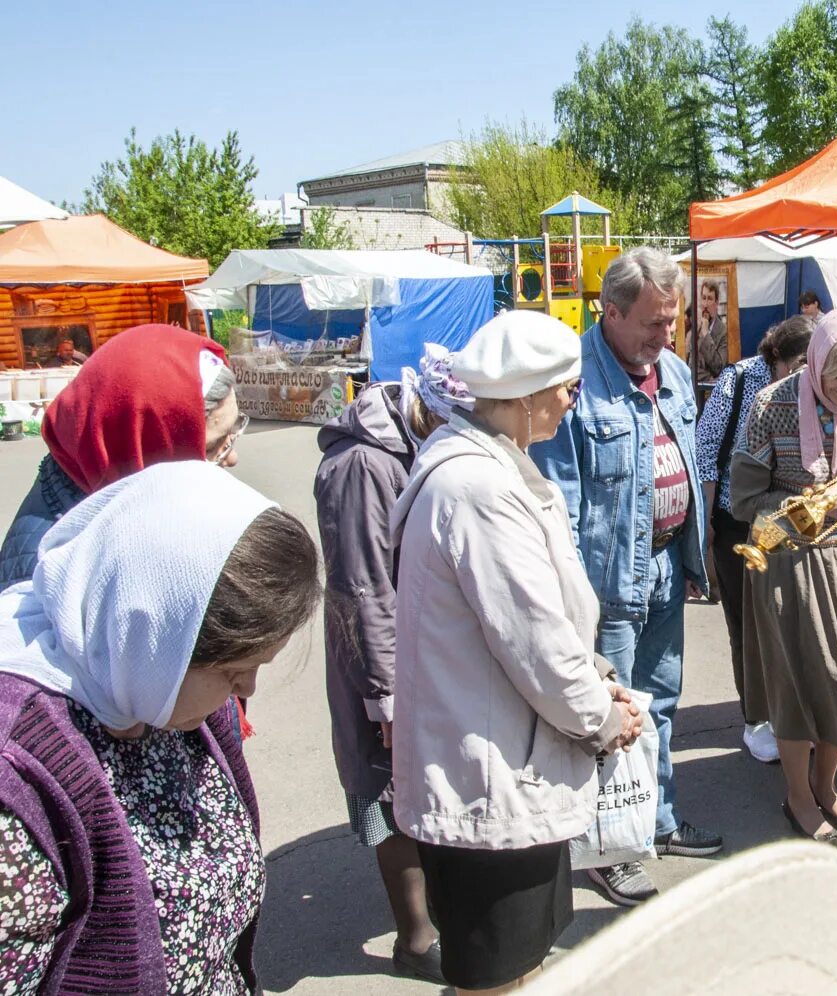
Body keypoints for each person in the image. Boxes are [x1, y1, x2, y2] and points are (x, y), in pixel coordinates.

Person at [390, 312, 645, 993]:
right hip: (490, 779)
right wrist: (600, 714)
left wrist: (595, 678)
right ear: (528, 394)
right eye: (566, 388)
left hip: (502, 762)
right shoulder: (479, 487)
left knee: (509, 964)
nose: (573, 401)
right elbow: (533, 640)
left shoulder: (484, 467)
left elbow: (537, 624)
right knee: (497, 975)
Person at [0, 461, 322, 993]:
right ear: (154, 637)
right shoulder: (18, 784)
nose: (247, 692)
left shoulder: (163, 697)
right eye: (234, 671)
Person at [531, 248, 722, 907]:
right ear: (610, 313)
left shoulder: (669, 369)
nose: (668, 338)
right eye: (653, 324)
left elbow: (688, 468)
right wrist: (572, 610)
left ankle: (657, 822)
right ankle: (608, 847)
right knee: (606, 721)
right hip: (607, 585)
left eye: (673, 322)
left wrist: (694, 556)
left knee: (661, 704)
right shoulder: (573, 383)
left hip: (667, 565)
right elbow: (559, 506)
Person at [312, 344, 471, 983]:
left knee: (422, 784)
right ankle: (415, 939)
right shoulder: (363, 466)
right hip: (380, 656)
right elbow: (364, 586)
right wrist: (386, 696)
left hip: (418, 645)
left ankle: (435, 917)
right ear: (425, 408)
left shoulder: (410, 444)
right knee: (390, 785)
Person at [731, 309, 837, 846]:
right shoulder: (770, 406)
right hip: (788, 567)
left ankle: (826, 788)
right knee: (797, 688)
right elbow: (742, 500)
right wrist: (800, 506)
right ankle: (800, 800)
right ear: (816, 362)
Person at [0, 323, 246, 588]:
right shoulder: (49, 578)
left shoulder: (113, 497)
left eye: (233, 431)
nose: (232, 459)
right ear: (141, 446)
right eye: (213, 447)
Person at [694, 315, 813, 765]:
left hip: (791, 524)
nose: (807, 373)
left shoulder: (814, 386)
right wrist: (705, 526)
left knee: (790, 621)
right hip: (736, 522)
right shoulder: (739, 381)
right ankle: (756, 719)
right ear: (776, 357)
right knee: (746, 624)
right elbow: (706, 454)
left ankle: (791, 713)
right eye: (799, 362)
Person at [695, 280, 729, 384]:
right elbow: (691, 366)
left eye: (709, 299)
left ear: (717, 302)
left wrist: (706, 335)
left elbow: (718, 368)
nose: (705, 304)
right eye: (704, 298)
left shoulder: (723, 331)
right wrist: (709, 378)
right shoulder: (696, 328)